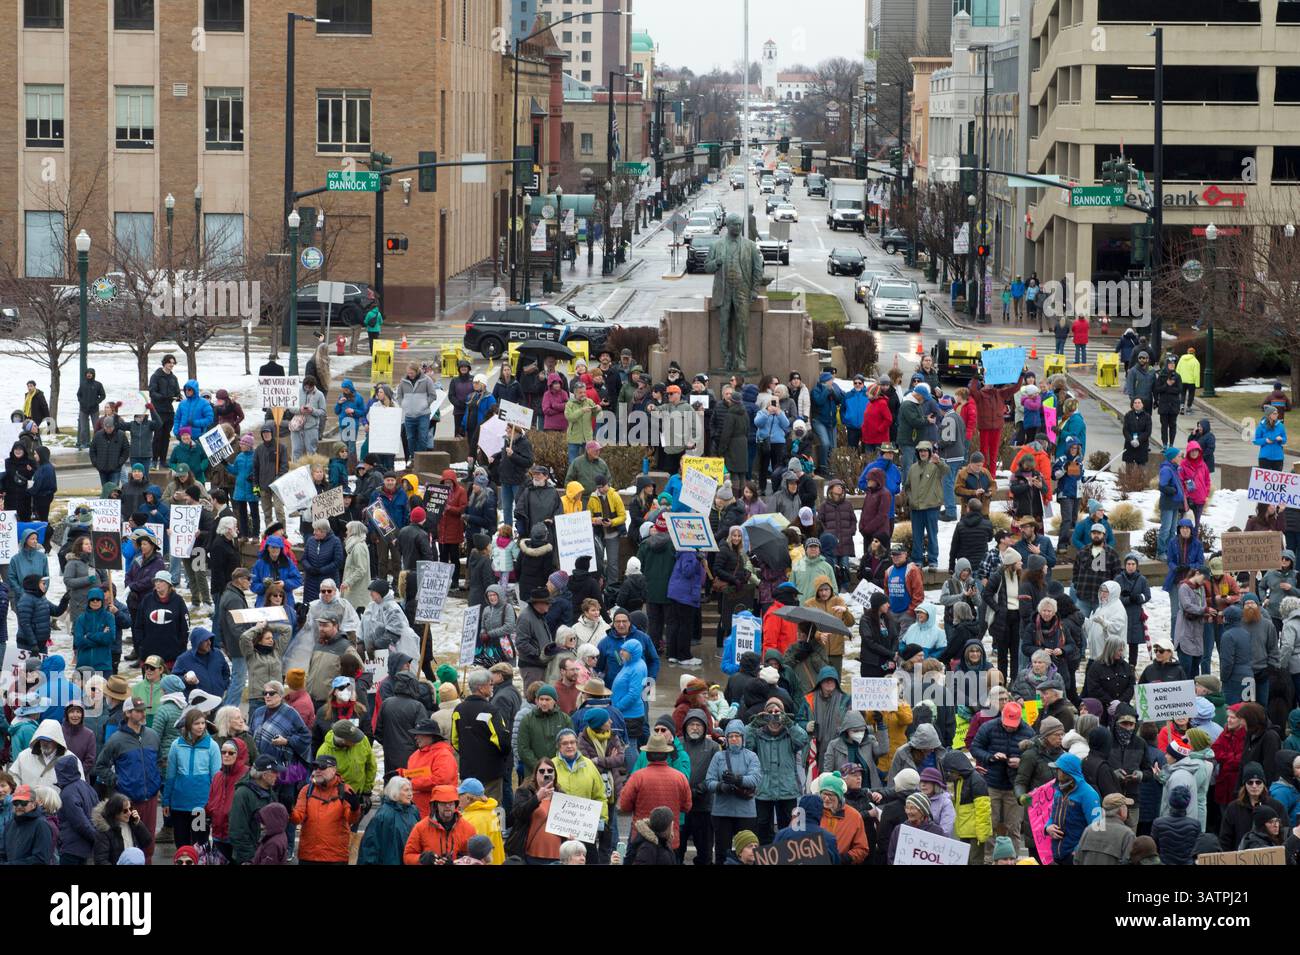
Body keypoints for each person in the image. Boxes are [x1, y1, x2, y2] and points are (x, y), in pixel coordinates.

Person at [292, 753, 362, 865]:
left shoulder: (344, 790)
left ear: (333, 770)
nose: (317, 771)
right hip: (309, 856)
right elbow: (298, 818)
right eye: (315, 767)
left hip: (335, 857)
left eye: (322, 767)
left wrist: (355, 808)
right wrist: (288, 810)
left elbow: (351, 820)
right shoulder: (306, 790)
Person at [1255, 405, 1288, 469]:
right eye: (1274, 413)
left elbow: (1285, 439)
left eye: (1277, 413)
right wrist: (1265, 440)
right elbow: (1256, 440)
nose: (1277, 415)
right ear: (1269, 415)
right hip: (1265, 457)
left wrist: (1281, 439)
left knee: (1277, 478)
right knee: (1264, 479)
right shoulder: (1261, 426)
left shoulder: (1280, 425)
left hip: (1278, 457)